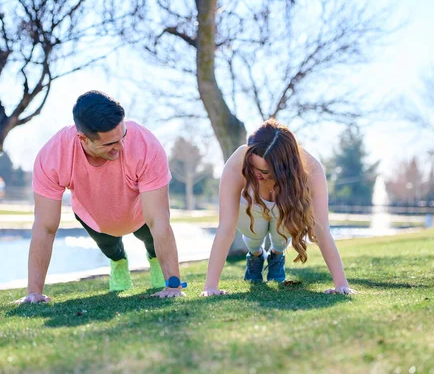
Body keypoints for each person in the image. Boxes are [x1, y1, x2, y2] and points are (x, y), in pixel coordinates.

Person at [19, 91, 186, 303]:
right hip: (95, 216)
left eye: (122, 136)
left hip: (139, 212)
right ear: (83, 139)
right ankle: (118, 263)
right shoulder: (54, 155)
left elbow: (159, 220)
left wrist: (173, 285)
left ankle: (155, 262)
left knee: (151, 241)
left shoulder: (145, 144)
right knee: (111, 248)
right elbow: (45, 227)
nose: (121, 147)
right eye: (109, 144)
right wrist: (34, 293)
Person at [200, 119, 355, 296]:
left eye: (264, 171)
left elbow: (321, 228)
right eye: (252, 167)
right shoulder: (237, 164)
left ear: (283, 168)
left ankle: (277, 255)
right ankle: (256, 255)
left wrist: (341, 284)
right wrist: (210, 287)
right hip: (250, 212)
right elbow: (226, 228)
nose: (257, 174)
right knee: (255, 234)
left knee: (282, 229)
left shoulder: (311, 169)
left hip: (285, 209)